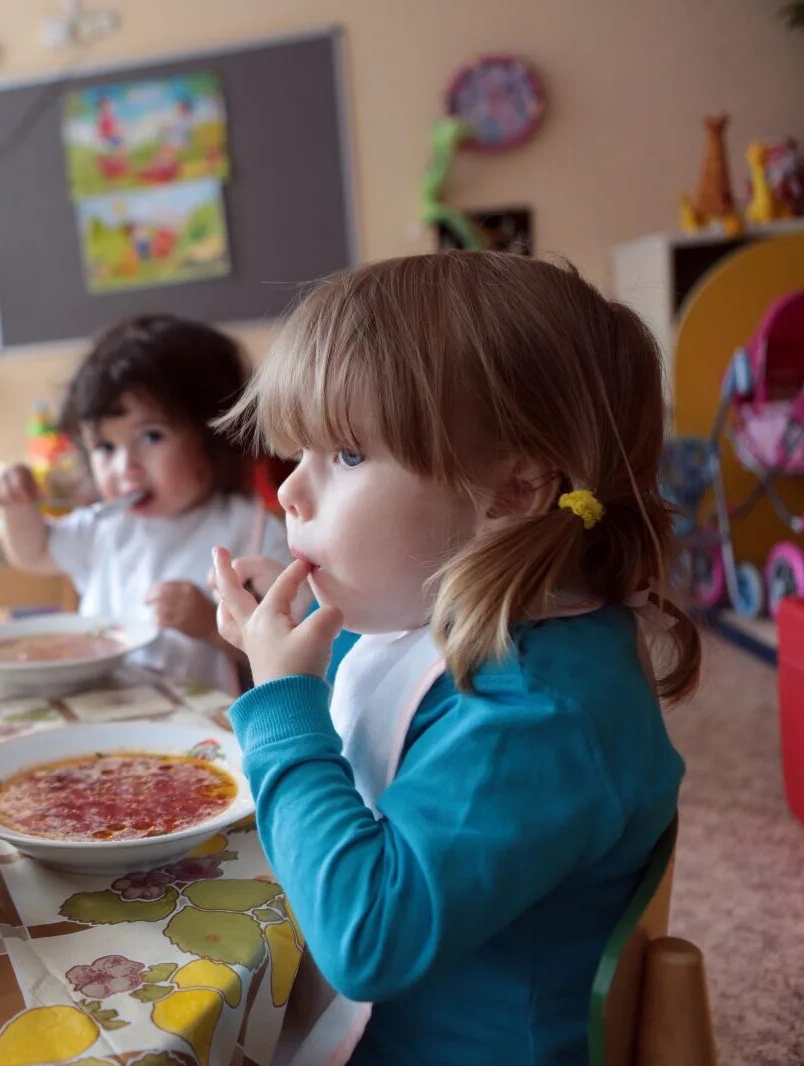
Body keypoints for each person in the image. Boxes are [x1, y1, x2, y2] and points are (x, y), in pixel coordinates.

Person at [211, 252, 696, 1063]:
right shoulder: (519, 630)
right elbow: (407, 717)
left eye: (347, 456)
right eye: (298, 455)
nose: (290, 493)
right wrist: (316, 648)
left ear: (512, 492)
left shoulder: (540, 715)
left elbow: (366, 939)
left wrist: (283, 701)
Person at [0, 313, 293, 693]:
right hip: (100, 713)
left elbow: (290, 657)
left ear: (216, 434)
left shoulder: (254, 531)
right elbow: (33, 553)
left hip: (203, 733)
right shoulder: (105, 527)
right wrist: (15, 505)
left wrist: (209, 626)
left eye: (150, 437)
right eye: (105, 447)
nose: (124, 466)